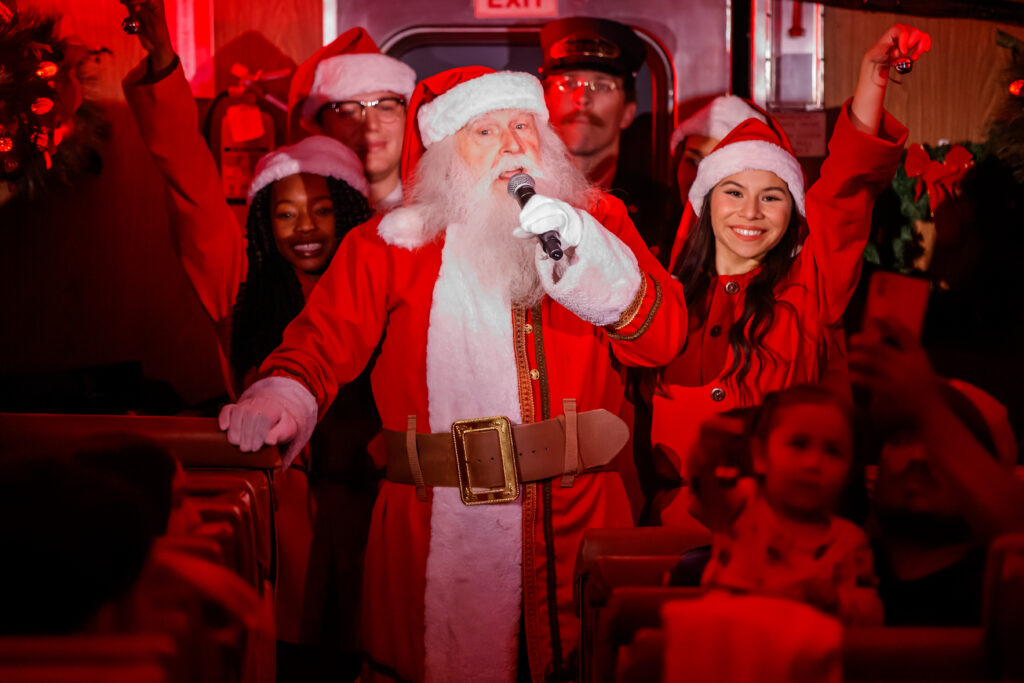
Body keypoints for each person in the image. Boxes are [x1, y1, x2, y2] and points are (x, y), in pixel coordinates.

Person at [217, 65, 687, 682]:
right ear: (444, 153)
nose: (513, 145)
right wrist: (285, 391)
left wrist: (590, 257)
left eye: (523, 125)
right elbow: (320, 344)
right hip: (433, 524)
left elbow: (663, 340)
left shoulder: (599, 222)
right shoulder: (389, 244)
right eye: (485, 131)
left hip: (578, 521)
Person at [120, 4, 379, 677]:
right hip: (282, 530)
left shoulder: (388, 282)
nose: (305, 227)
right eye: (285, 214)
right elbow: (191, 188)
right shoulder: (239, 284)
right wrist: (162, 64)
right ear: (265, 224)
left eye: (322, 210)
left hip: (381, 524)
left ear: (350, 211)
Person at [646, 24, 928, 529]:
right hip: (669, 539)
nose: (751, 211)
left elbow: (846, 187)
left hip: (781, 533)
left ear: (792, 211)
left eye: (771, 196)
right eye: (734, 192)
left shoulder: (810, 289)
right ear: (706, 203)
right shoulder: (663, 295)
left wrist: (873, 78)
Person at [849, 319, 1024, 625]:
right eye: (902, 439)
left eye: (943, 444)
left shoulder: (1005, 589)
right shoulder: (832, 564)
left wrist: (928, 406)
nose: (919, 457)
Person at [700, 384, 884, 625]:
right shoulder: (745, 507)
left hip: (807, 645)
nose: (813, 463)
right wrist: (707, 458)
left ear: (850, 468)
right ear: (760, 455)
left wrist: (837, 601)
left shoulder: (849, 542)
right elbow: (711, 496)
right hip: (731, 638)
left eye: (832, 451)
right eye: (799, 444)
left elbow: (872, 614)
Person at [539, 16, 671, 248]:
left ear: (628, 112)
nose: (582, 99)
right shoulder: (517, 196)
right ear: (543, 101)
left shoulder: (662, 210)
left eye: (602, 86)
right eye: (568, 84)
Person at [288, 27, 416, 210]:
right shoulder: (305, 222)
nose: (371, 125)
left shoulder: (439, 219)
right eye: (349, 112)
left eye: (385, 107)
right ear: (319, 127)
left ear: (407, 118)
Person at [666, 95, 769, 268]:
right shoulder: (649, 242)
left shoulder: (778, 262)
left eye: (719, 167)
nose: (701, 177)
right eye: (693, 162)